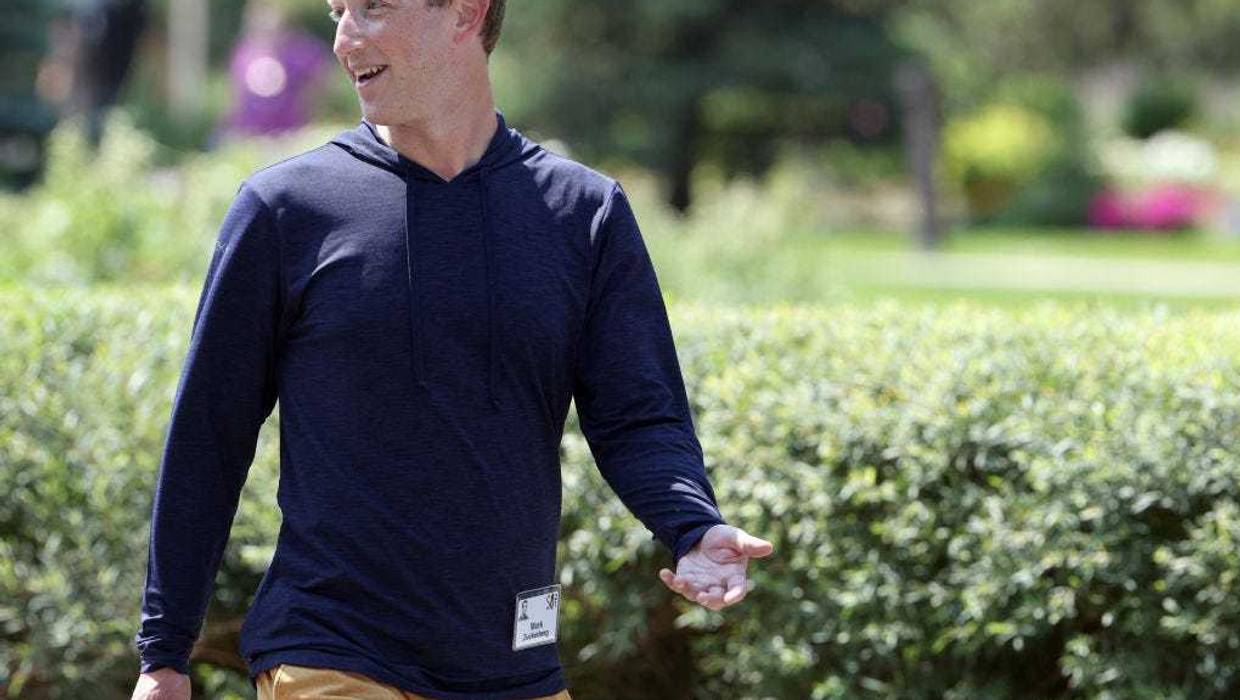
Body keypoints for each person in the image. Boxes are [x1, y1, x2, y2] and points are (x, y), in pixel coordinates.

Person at [129, 1, 774, 699]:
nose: (345, 37)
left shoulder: (583, 214)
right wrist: (163, 656)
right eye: (338, 10)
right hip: (329, 650)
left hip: (513, 664)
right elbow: (208, 436)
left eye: (372, 7)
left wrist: (692, 525)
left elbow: (637, 416)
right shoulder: (285, 210)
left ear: (465, 13)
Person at [217, 1, 333, 141]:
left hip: (289, 136)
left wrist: (309, 125)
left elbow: (318, 90)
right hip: (249, 136)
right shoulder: (244, 51)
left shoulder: (303, 51)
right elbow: (234, 95)